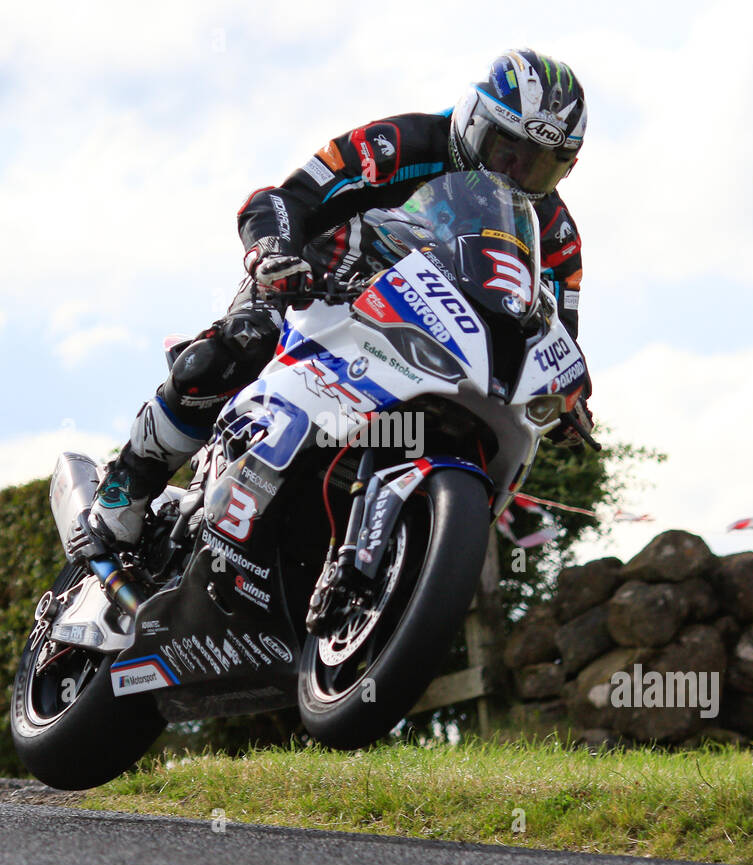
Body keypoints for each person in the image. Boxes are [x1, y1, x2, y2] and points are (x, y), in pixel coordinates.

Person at [67, 49, 592, 560]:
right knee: (240, 343)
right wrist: (273, 255)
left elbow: (558, 331)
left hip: (434, 341)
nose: (516, 173)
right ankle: (124, 488)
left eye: (542, 166)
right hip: (324, 280)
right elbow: (284, 199)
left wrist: (574, 400)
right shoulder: (397, 143)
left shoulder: (557, 234)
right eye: (506, 151)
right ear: (474, 122)